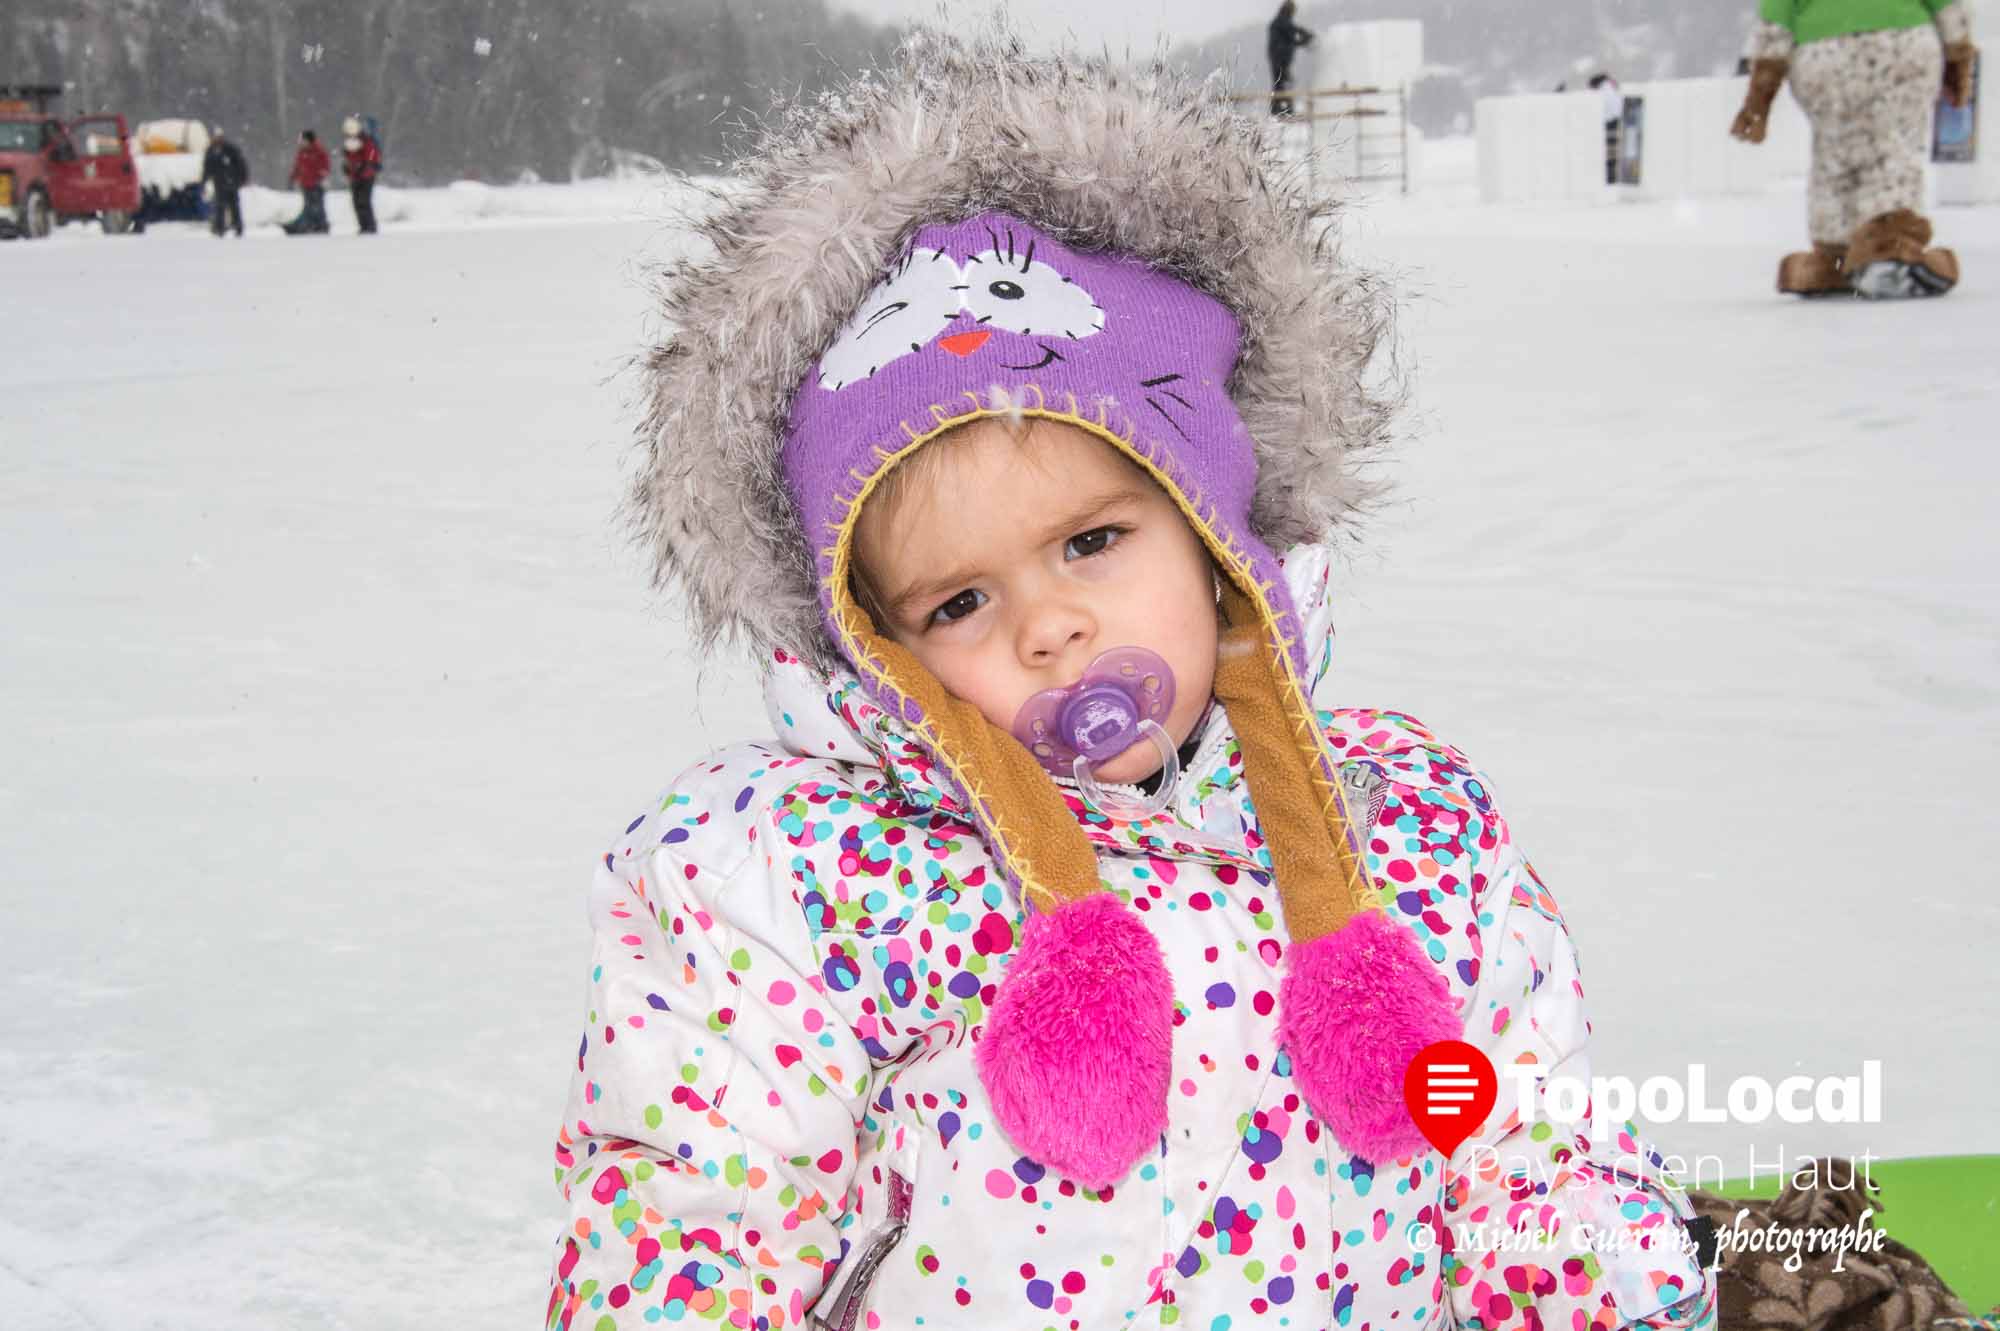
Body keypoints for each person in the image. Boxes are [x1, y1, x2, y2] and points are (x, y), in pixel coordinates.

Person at [545, 27, 1720, 1331]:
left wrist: (1608, 1292)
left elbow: (1520, 1139)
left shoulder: (1413, 827)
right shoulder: (805, 871)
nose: (1049, 626)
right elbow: (709, 1202)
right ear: (875, 640)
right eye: (961, 600)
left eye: (1092, 542)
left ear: (1216, 537)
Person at [1731, 0, 1978, 298]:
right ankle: (1889, 247)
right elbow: (1950, 8)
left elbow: (1774, 27)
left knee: (1832, 158)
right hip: (1901, 44)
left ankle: (1834, 256)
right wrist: (1958, 62)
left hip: (1821, 57)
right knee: (1893, 148)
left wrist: (1759, 100)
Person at [199, 126, 248, 238]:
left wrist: (242, 178)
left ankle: (237, 227)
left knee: (234, 206)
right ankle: (220, 228)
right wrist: (204, 181)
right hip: (219, 183)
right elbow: (207, 168)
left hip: (232, 182)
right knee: (220, 206)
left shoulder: (230, 149)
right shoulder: (211, 150)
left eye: (219, 137)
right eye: (216, 137)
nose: (217, 139)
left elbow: (240, 164)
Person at [1268, 0, 1314, 117]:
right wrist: (1306, 37)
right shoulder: (1281, 22)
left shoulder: (1280, 23)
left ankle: (1281, 110)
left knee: (1281, 84)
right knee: (1282, 84)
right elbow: (1292, 32)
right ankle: (1284, 111)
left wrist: (1303, 39)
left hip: (1279, 59)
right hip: (1280, 60)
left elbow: (1292, 36)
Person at [284, 129, 331, 234]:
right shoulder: (302, 152)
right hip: (305, 184)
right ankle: (313, 226)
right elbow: (298, 167)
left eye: (303, 140)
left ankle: (319, 226)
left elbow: (325, 167)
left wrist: (320, 177)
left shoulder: (319, 151)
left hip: (316, 184)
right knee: (309, 206)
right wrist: (293, 178)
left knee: (316, 207)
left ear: (309, 140)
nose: (301, 142)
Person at [341, 115, 381, 235]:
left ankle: (369, 226)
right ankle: (364, 226)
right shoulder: (352, 142)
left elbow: (371, 157)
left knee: (363, 201)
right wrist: (348, 168)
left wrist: (364, 167)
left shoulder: (367, 141)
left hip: (366, 177)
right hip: (356, 177)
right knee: (357, 202)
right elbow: (349, 158)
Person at [1590, 72, 1625, 183]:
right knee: (1613, 153)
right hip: (1617, 123)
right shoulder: (1612, 89)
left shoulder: (1603, 92)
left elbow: (1604, 110)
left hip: (1609, 124)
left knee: (1609, 153)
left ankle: (1610, 177)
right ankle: (1612, 176)